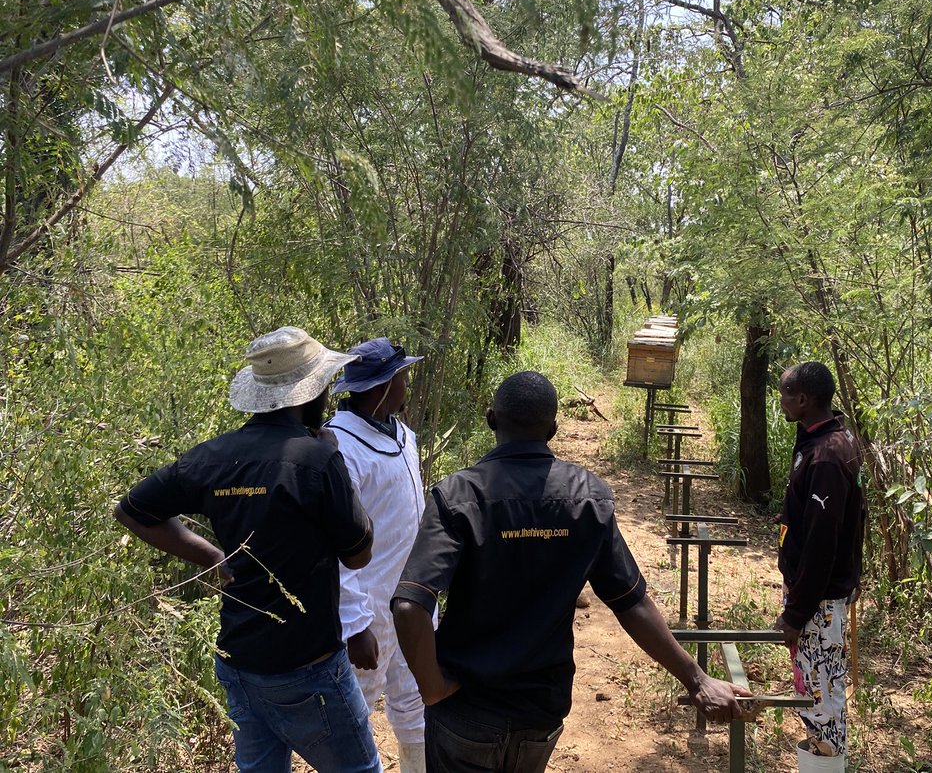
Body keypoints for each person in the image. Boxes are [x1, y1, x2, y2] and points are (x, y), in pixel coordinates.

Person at [391, 371, 751, 772]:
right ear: (553, 429)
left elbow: (410, 605)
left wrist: (432, 688)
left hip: (466, 712)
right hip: (540, 711)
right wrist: (697, 679)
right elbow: (631, 602)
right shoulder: (587, 497)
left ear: (491, 420)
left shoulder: (458, 495)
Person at [114, 326, 383, 773]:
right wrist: (335, 463)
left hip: (239, 661)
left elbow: (132, 511)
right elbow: (358, 554)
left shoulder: (212, 457)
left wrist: (212, 558)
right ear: (309, 393)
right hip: (309, 669)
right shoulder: (318, 459)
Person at [327, 338, 429, 771]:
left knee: (417, 702)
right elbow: (335, 543)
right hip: (368, 609)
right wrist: (355, 625)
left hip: (411, 598)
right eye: (402, 377)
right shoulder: (339, 445)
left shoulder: (402, 434)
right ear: (384, 385)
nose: (407, 384)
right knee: (356, 712)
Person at [773, 361, 865, 773]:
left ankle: (825, 764)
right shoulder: (822, 440)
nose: (781, 401)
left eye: (785, 395)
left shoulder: (827, 456)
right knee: (813, 692)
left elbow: (822, 546)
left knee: (822, 702)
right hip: (816, 596)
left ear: (804, 400)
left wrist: (796, 614)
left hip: (819, 603)